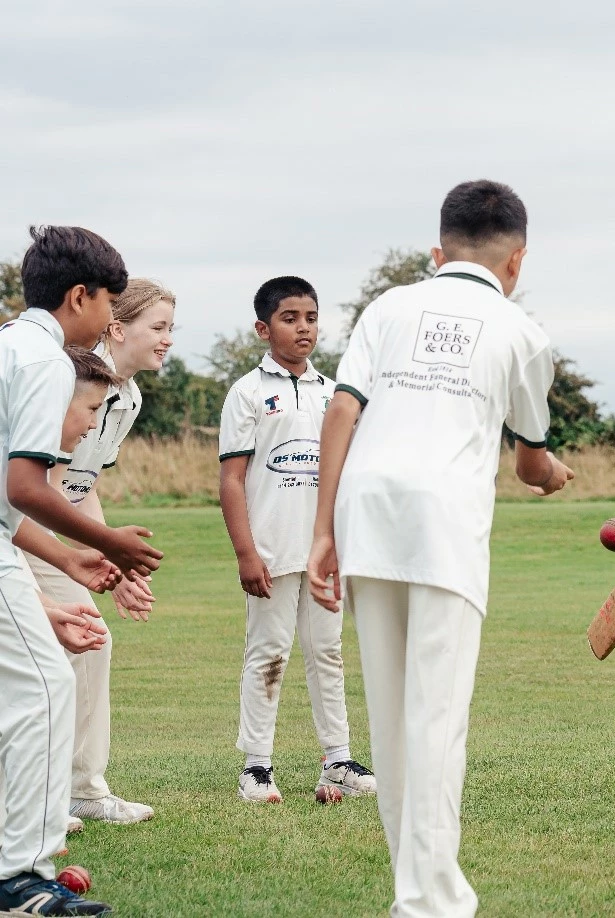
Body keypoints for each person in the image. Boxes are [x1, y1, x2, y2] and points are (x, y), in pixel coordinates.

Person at [307, 180, 573, 917]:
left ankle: (415, 892)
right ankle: (430, 903)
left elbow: (341, 408)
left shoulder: (388, 306)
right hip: (444, 523)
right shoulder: (522, 331)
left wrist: (323, 528)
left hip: (367, 510)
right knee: (435, 719)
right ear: (517, 260)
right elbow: (529, 461)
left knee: (392, 718)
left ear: (436, 250)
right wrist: (553, 474)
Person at [0, 225, 161, 916]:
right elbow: (25, 486)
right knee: (42, 691)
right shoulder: (43, 361)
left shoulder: (12, 340)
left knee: (33, 685)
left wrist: (65, 560)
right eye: (109, 303)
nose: (110, 319)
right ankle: (20, 879)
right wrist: (111, 542)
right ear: (80, 297)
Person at [20, 278, 174, 827]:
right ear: (117, 327)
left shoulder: (127, 397)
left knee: (88, 644)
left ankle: (75, 787)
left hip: (59, 529)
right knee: (65, 648)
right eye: (157, 327)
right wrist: (102, 554)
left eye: (170, 329)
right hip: (30, 527)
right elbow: (43, 485)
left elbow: (85, 489)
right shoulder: (73, 380)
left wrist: (116, 563)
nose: (167, 340)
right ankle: (56, 791)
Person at [219, 276, 376, 804]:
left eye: (310, 317)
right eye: (290, 318)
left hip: (323, 551)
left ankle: (337, 761)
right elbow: (232, 479)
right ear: (264, 328)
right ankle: (256, 767)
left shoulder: (333, 392)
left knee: (327, 651)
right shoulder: (248, 392)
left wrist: (342, 543)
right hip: (271, 550)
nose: (303, 327)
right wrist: (246, 553)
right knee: (269, 653)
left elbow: (346, 474)